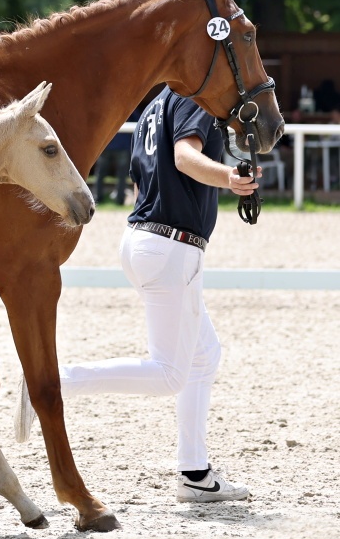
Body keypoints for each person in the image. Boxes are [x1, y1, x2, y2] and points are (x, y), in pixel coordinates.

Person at [16, 85, 261, 502]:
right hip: (172, 246)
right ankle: (54, 381)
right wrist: (229, 179)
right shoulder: (193, 99)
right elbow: (185, 158)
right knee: (169, 374)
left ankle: (195, 473)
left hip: (147, 239)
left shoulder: (154, 106)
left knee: (205, 354)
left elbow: (143, 177)